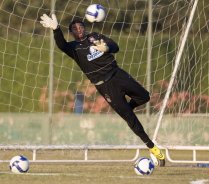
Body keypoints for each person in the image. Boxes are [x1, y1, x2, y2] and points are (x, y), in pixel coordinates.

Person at [39, 14, 165, 166]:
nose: (78, 29)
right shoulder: (74, 48)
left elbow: (115, 47)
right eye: (74, 28)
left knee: (144, 97)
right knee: (130, 118)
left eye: (80, 27)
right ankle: (151, 146)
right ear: (71, 32)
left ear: (84, 28)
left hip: (118, 74)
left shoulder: (95, 36)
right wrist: (56, 29)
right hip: (104, 85)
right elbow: (61, 45)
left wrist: (106, 47)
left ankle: (125, 109)